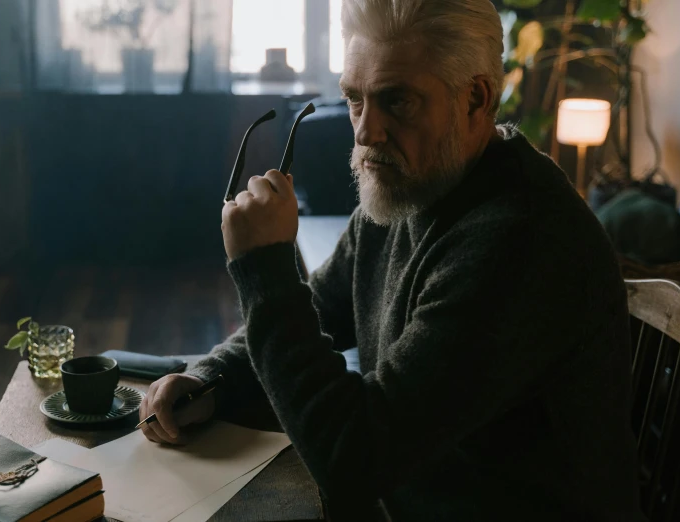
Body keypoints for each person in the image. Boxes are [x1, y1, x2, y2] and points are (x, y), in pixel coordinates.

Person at [140, 0, 643, 519]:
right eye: (355, 99)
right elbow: (320, 310)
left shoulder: (522, 240)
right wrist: (211, 378)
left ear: (476, 98)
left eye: (396, 102)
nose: (364, 131)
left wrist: (265, 268)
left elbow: (353, 460)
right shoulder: (415, 182)